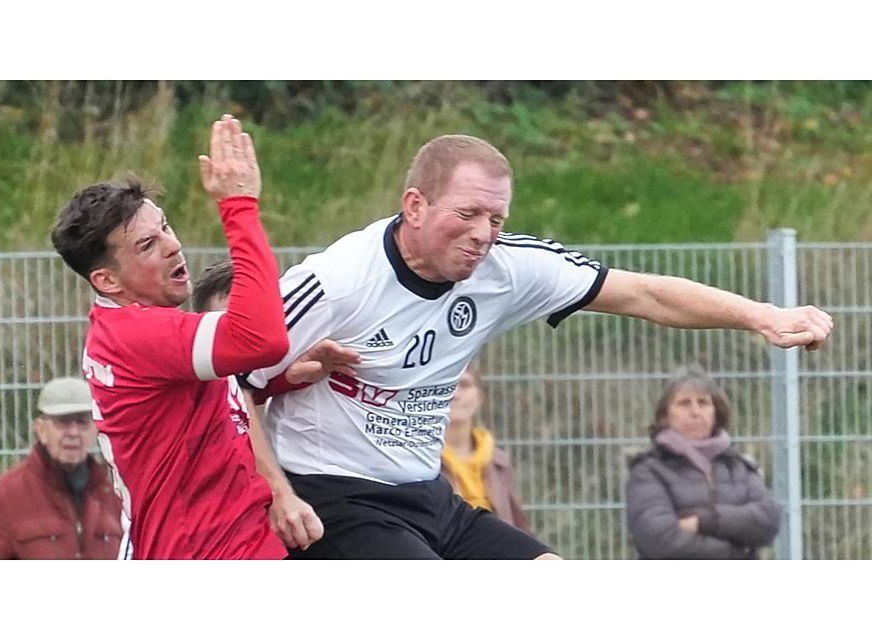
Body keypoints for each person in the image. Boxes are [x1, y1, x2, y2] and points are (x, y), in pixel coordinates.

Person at [245, 133, 832, 560]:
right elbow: (231, 388)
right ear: (415, 205)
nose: (483, 234)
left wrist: (762, 315)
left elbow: (646, 295)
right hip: (338, 500)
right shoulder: (337, 281)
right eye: (468, 213)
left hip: (429, 495)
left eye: (496, 219)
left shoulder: (508, 268)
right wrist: (278, 492)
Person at [50, 115, 291, 559]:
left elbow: (224, 401)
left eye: (165, 226)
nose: (172, 245)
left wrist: (287, 381)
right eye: (146, 245)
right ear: (107, 281)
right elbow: (263, 339)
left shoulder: (140, 329)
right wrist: (239, 206)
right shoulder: (136, 335)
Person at [191, 259, 358, 551]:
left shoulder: (315, 375)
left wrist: (285, 381)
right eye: (233, 331)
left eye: (258, 329)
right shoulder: (193, 395)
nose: (247, 347)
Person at [625, 367, 782, 559]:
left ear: (716, 412)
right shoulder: (649, 471)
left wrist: (705, 521)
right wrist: (734, 553)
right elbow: (659, 539)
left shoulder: (738, 467)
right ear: (665, 415)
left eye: (703, 403)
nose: (695, 412)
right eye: (684, 404)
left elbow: (768, 520)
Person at [0, 377, 122, 560]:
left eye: (83, 422)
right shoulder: (3, 498)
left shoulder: (115, 498)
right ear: (41, 429)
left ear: (96, 430)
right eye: (63, 422)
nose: (73, 433)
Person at [442, 364, 532, 532]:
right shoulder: (418, 461)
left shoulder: (499, 462)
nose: (455, 394)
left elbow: (520, 526)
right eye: (447, 386)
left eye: (465, 385)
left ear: (480, 396)